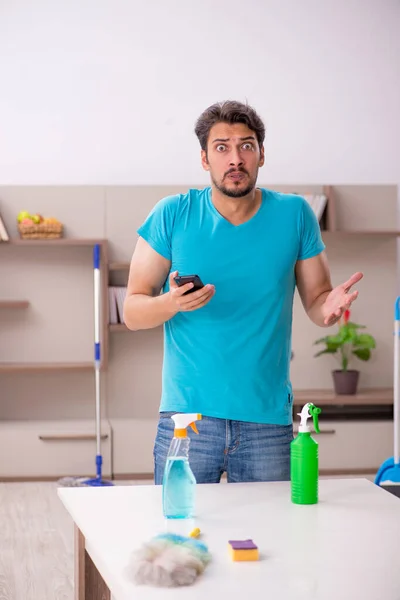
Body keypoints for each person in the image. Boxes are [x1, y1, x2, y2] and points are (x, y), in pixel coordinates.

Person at [123, 100, 363, 484]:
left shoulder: (295, 214)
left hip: (265, 422)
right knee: (181, 537)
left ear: (261, 154)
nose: (235, 158)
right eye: (222, 147)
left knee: (270, 538)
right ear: (204, 158)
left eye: (246, 146)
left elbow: (317, 302)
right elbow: (132, 311)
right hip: (188, 420)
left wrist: (329, 304)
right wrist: (171, 303)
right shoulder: (172, 214)